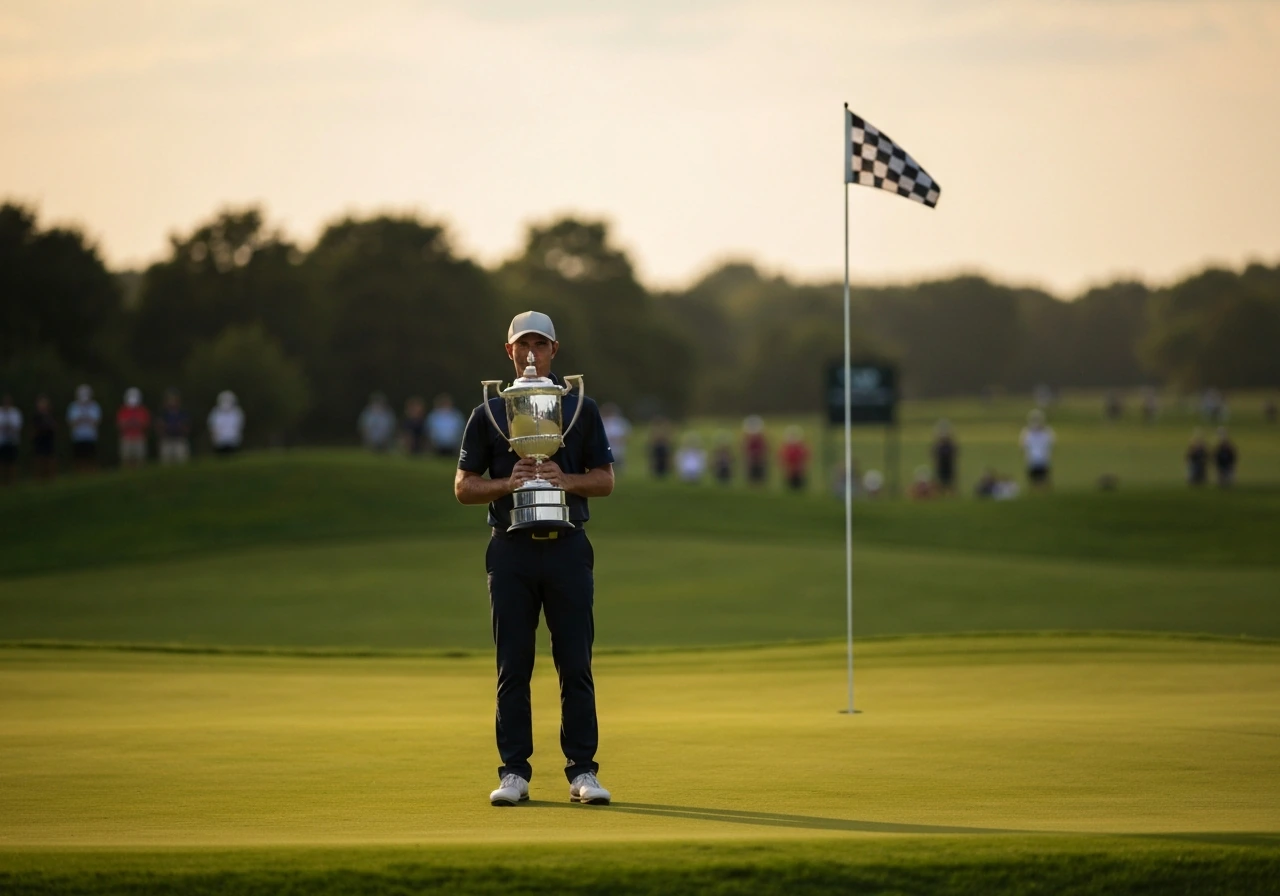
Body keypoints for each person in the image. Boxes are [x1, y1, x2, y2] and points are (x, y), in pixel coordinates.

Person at [454, 310, 615, 808]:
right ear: (509, 352)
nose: (530, 353)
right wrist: (509, 483)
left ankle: (582, 771)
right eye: (522, 345)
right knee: (513, 667)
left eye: (539, 345)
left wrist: (566, 481)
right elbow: (463, 487)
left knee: (575, 664)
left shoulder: (579, 409)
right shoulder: (490, 413)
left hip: (567, 547)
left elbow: (604, 479)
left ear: (553, 350)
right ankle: (514, 773)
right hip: (511, 550)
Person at [66, 385, 101, 472]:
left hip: (90, 437)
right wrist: (85, 420)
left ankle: (91, 473)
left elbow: (96, 421)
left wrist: (82, 420)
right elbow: (71, 422)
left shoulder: (94, 406)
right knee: (79, 458)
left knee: (91, 457)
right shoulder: (73, 407)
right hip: (78, 437)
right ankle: (79, 474)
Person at [1018, 409, 1055, 490]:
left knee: (1043, 480)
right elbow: (1022, 445)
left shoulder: (1047, 432)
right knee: (1034, 481)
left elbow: (1051, 443)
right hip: (1032, 460)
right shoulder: (1027, 432)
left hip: (1043, 459)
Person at [116, 388, 151, 469]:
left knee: (140, 458)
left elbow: (144, 424)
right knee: (126, 458)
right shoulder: (123, 410)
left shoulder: (142, 410)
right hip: (127, 437)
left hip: (139, 437)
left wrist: (130, 423)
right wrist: (133, 423)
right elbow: (120, 424)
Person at [156, 389, 191, 465]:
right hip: (167, 440)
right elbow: (159, 425)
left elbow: (186, 426)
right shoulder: (163, 413)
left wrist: (182, 430)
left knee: (181, 461)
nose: (172, 401)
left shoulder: (182, 412)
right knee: (166, 463)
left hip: (179, 439)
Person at [208, 391, 244, 456]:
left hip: (232, 440)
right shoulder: (215, 412)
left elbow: (239, 426)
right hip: (220, 441)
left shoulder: (237, 412)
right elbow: (212, 426)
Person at [30, 394, 56, 480]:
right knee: (39, 459)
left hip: (48, 440)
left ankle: (50, 477)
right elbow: (34, 429)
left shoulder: (50, 416)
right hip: (39, 440)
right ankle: (39, 478)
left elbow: (54, 427)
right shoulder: (36, 417)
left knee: (49, 458)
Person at [600, 403, 632, 474]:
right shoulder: (602, 421)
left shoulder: (620, 422)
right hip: (606, 448)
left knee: (618, 462)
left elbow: (626, 434)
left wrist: (621, 440)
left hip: (618, 447)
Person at [778, 426, 810, 491]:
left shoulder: (801, 448)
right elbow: (782, 460)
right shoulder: (786, 449)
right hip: (789, 473)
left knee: (799, 488)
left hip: (799, 472)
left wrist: (801, 468)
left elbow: (805, 459)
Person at [931, 419, 957, 494]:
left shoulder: (950, 445)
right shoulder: (939, 445)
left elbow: (955, 452)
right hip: (941, 466)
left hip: (948, 465)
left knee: (949, 482)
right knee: (940, 481)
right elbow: (933, 453)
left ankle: (950, 494)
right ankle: (941, 493)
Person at [0, 394, 20, 485]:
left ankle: (12, 482)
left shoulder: (15, 412)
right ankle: (3, 481)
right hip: (2, 441)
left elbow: (17, 426)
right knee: (2, 462)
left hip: (12, 441)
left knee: (12, 462)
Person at [742, 415, 768, 485]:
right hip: (751, 462)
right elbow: (745, 450)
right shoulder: (748, 440)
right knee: (751, 479)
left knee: (760, 479)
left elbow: (764, 450)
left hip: (759, 462)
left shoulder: (761, 440)